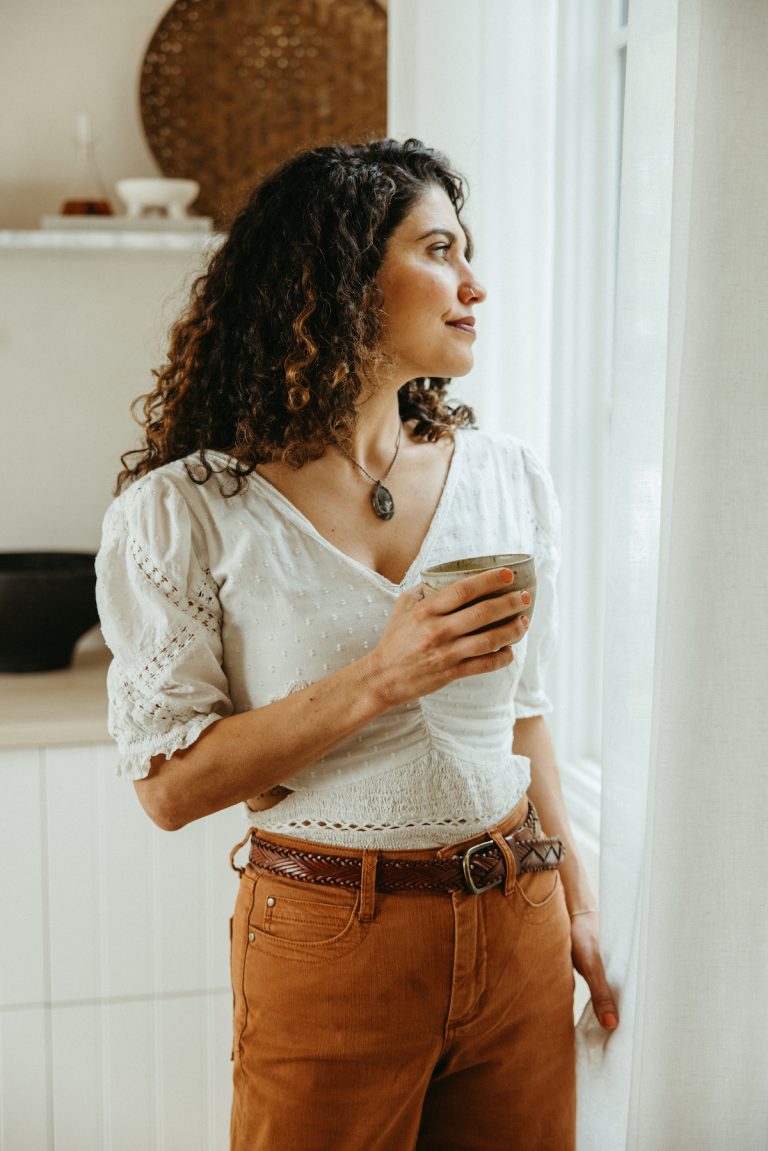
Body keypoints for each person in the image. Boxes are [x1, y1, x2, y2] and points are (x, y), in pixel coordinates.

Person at [96, 137, 618, 1151]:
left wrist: (579, 906)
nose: (475, 283)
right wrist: (385, 674)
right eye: (440, 249)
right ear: (339, 278)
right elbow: (170, 788)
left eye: (469, 252)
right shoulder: (190, 511)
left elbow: (523, 714)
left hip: (519, 916)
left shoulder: (509, 475)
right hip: (333, 934)